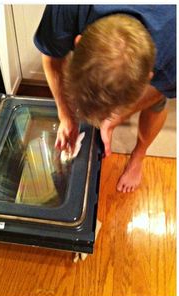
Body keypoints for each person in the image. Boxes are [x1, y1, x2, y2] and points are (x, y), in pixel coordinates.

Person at [33, 5, 176, 193]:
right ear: (78, 41)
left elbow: (159, 92)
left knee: (158, 103)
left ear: (148, 77)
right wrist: (66, 115)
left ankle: (139, 155)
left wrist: (114, 119)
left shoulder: (172, 54)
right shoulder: (66, 7)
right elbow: (51, 57)